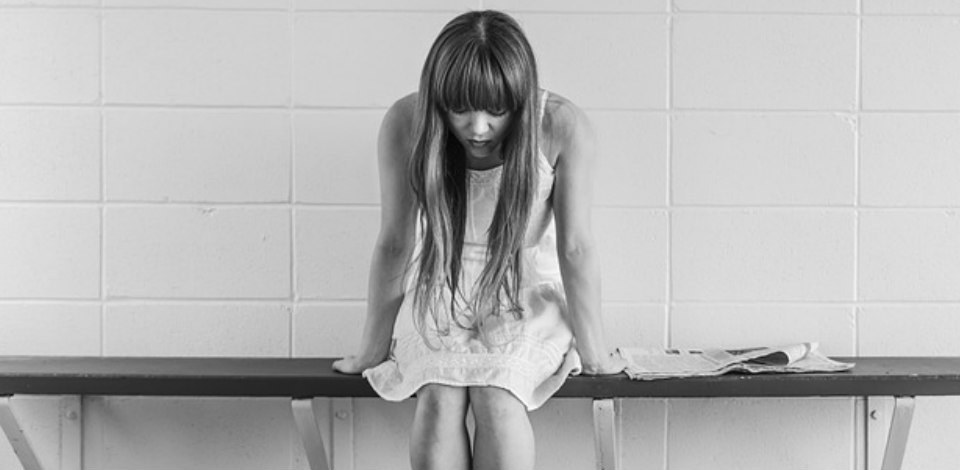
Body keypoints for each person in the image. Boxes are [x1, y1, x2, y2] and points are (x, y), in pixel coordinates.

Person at [333, 10, 625, 470]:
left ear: (521, 101)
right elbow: (394, 243)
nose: (478, 127)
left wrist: (596, 356)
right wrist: (371, 350)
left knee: (497, 394)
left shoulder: (561, 125)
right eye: (461, 109)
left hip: (525, 296)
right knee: (439, 395)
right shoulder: (406, 122)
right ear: (439, 99)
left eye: (496, 110)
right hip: (440, 292)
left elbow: (576, 248)